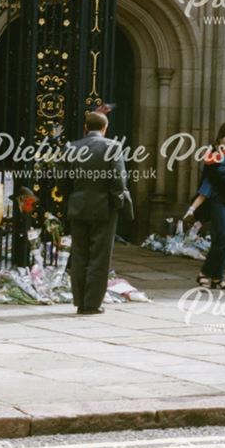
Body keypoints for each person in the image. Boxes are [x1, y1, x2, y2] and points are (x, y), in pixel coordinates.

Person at [66, 111, 131, 315]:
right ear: (105, 128)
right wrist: (118, 202)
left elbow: (62, 179)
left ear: (86, 128)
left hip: (78, 206)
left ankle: (79, 301)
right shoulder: (112, 147)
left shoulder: (71, 147)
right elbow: (118, 180)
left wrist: (72, 197)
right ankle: (92, 303)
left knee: (79, 254)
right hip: (104, 208)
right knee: (99, 257)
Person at [197, 122, 225, 290]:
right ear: (222, 136)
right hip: (217, 199)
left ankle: (217, 277)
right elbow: (212, 176)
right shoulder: (213, 151)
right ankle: (204, 272)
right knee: (222, 237)